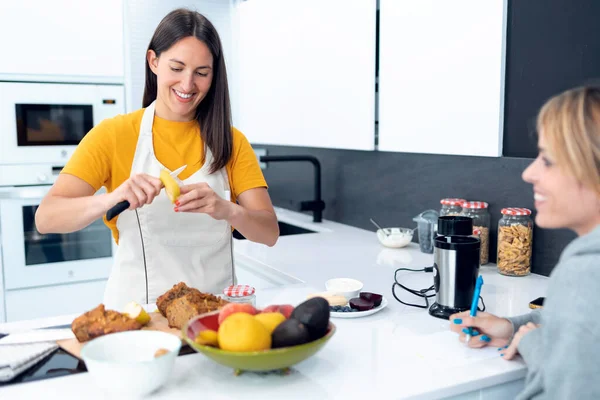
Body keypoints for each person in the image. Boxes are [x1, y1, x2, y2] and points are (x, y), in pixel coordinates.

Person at [35, 9, 279, 309]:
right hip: (139, 316)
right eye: (176, 68)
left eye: (201, 73)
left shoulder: (231, 142)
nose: (187, 85)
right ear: (154, 61)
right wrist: (112, 198)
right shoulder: (114, 134)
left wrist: (227, 209)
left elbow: (269, 233)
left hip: (214, 317)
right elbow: (46, 218)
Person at [449, 85, 600, 399]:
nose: (529, 173)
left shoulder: (587, 271)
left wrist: (534, 343)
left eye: (548, 160)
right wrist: (513, 327)